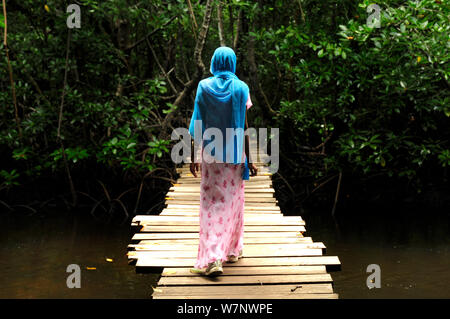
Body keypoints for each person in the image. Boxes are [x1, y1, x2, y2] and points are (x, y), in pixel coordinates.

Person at [188, 46, 257, 276]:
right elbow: (245, 127)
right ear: (233, 63)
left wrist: (192, 155)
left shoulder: (204, 87)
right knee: (232, 201)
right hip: (235, 155)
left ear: (214, 62)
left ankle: (213, 259)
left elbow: (197, 124)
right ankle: (231, 251)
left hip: (211, 155)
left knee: (211, 206)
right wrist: (251, 158)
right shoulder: (242, 88)